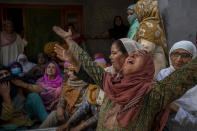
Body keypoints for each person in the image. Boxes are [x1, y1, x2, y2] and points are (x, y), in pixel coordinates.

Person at [53, 26, 197, 131]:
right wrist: (70, 41)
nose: (132, 56)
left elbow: (187, 75)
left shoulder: (153, 94)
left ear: (145, 68)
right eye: (131, 55)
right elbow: (89, 65)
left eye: (138, 56)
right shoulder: (112, 82)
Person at [157, 40, 197, 131]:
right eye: (175, 54)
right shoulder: (164, 74)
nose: (178, 59)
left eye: (185, 56)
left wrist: (176, 109)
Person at [39, 63, 89, 128]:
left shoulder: (87, 86)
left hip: (80, 120)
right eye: (69, 71)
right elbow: (62, 97)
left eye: (72, 71)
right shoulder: (68, 83)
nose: (69, 73)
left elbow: (84, 109)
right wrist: (60, 107)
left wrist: (70, 122)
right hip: (66, 115)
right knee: (54, 115)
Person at [0, 65, 48, 130]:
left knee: (33, 96)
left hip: (23, 115)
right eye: (1, 75)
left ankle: (48, 123)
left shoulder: (16, 83)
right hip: (9, 123)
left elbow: (39, 90)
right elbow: (5, 117)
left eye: (6, 73)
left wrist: (24, 85)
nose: (5, 76)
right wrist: (6, 96)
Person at [133, 0, 168, 77]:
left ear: (143, 10)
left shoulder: (148, 25)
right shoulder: (155, 22)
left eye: (137, 11)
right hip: (157, 64)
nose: (136, 14)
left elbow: (145, 48)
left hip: (152, 68)